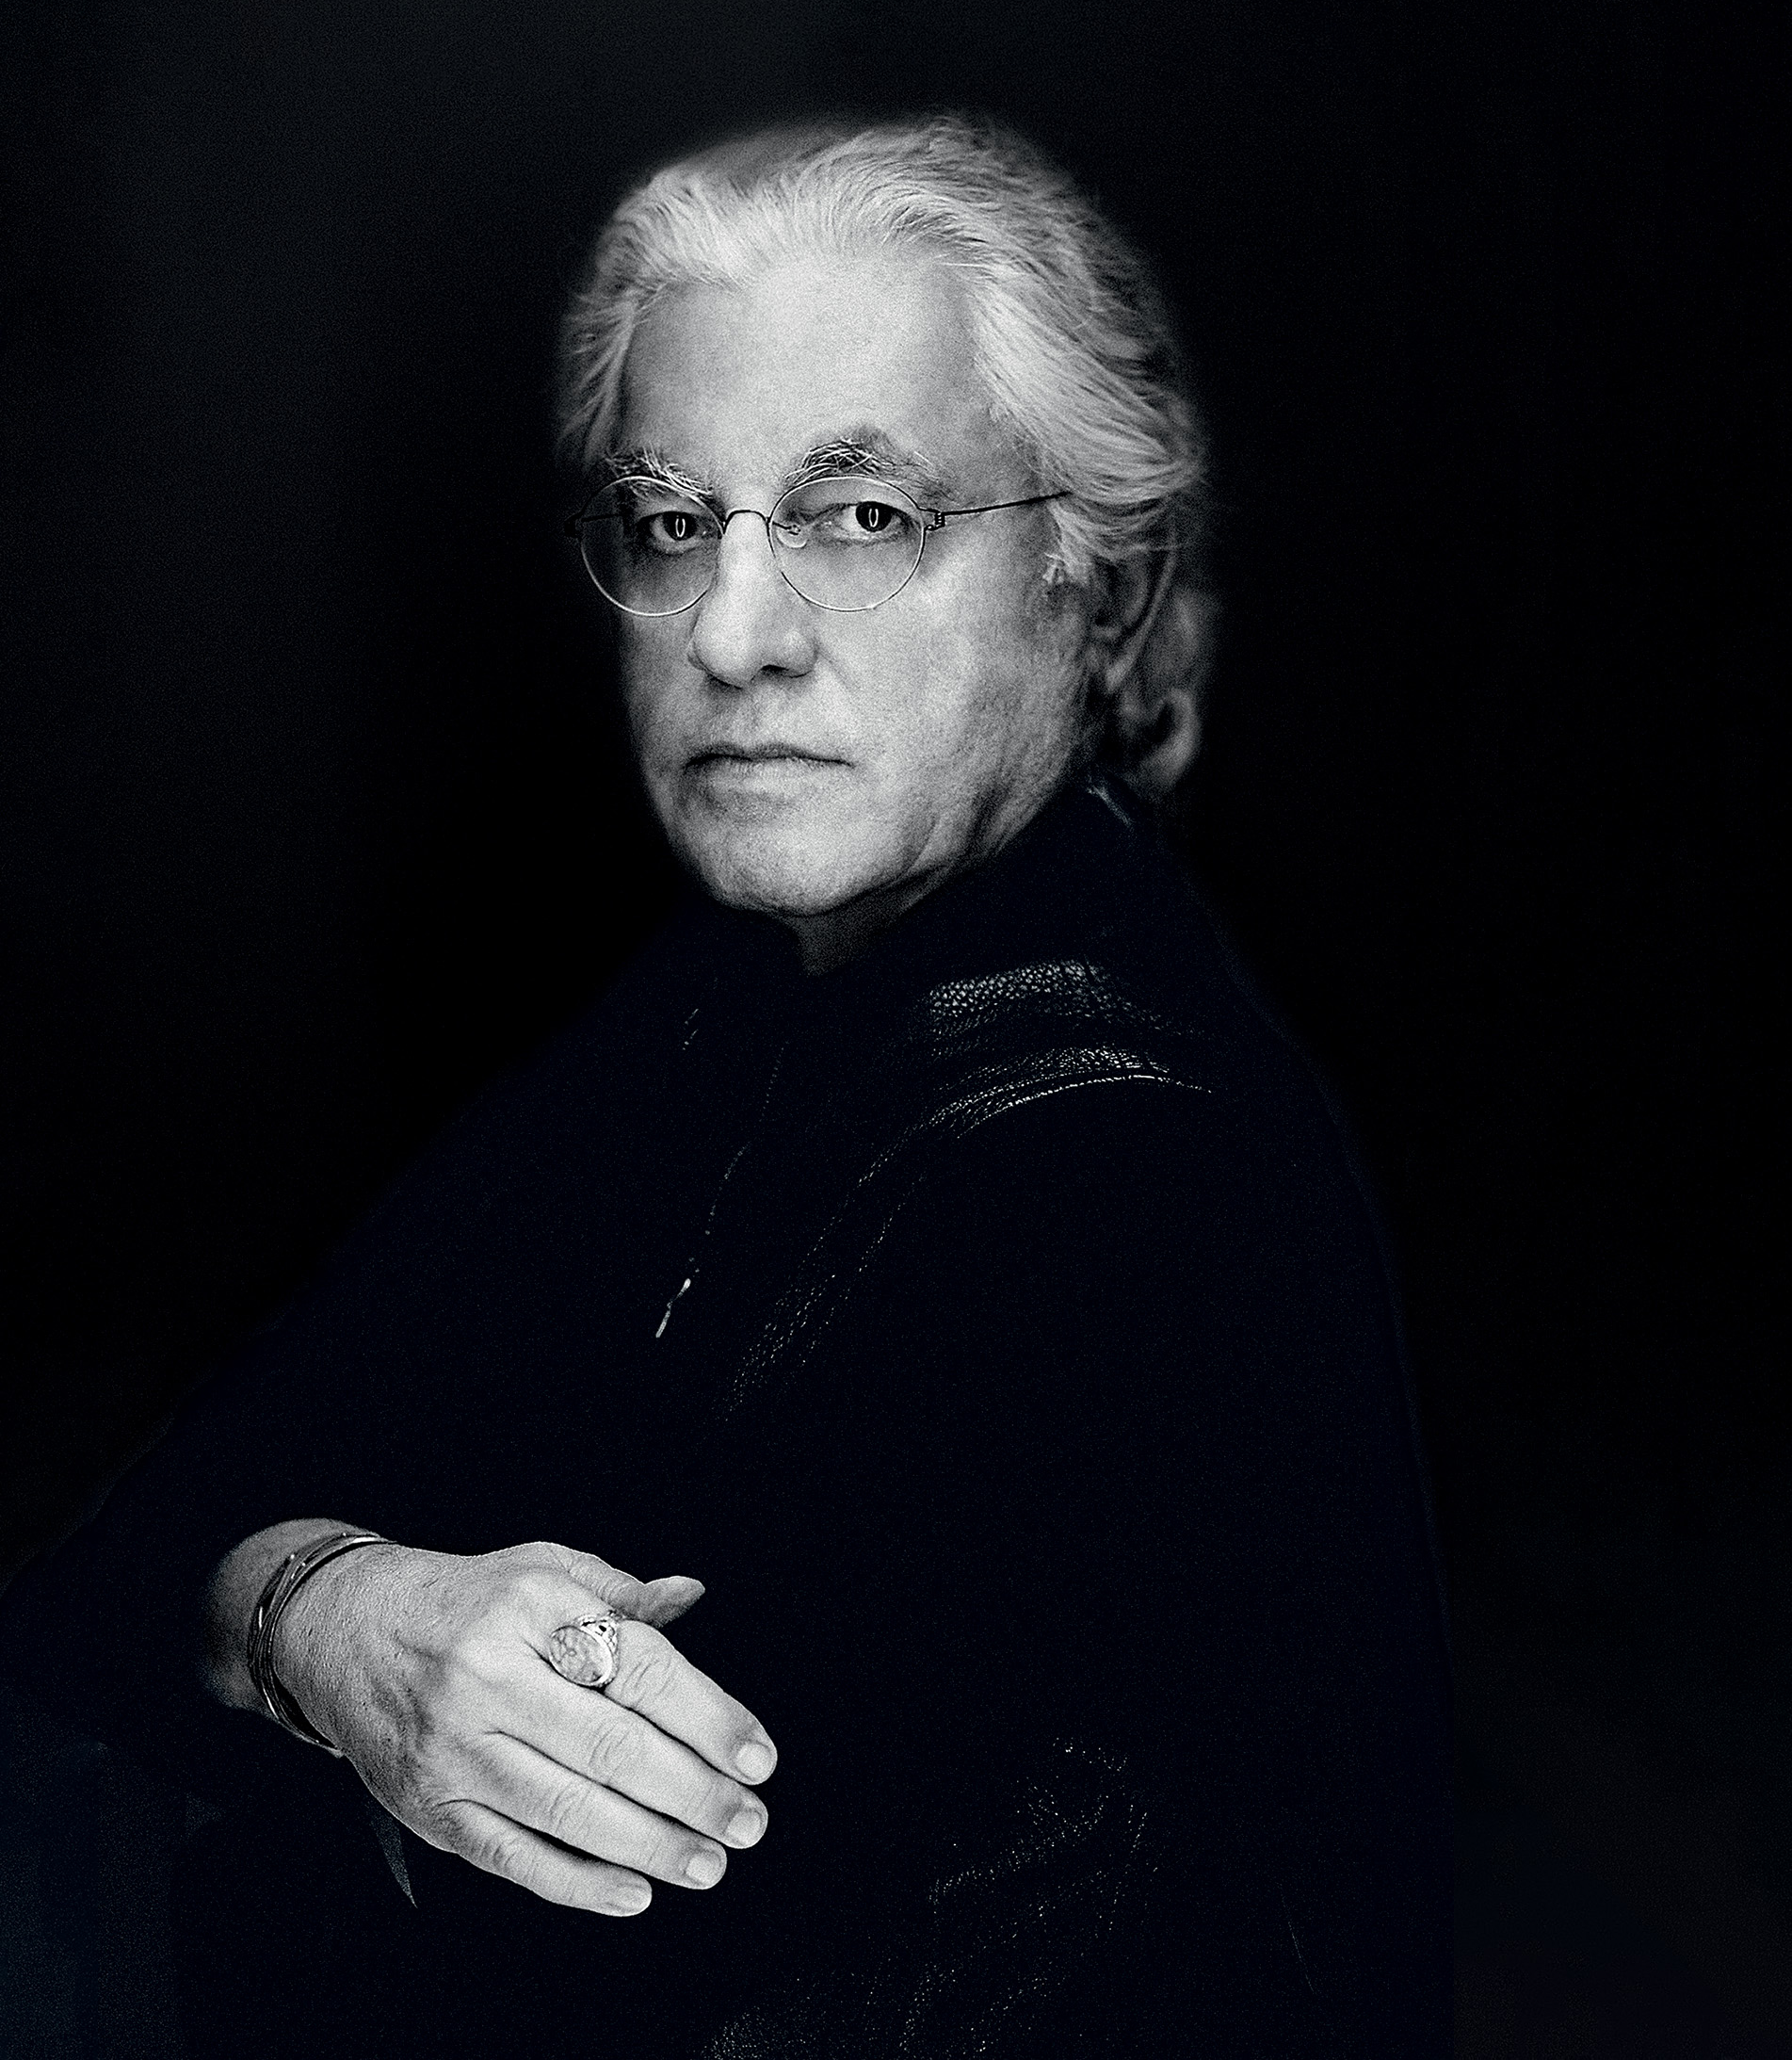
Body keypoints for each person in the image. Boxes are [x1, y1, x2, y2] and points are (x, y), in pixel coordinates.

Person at [2, 116, 1450, 2054]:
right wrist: (328, 1615)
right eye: (677, 523)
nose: (736, 637)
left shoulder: (1129, 1192)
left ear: (1097, 591)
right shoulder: (729, 992)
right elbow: (131, 1558)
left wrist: (299, 1644)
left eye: (867, 517)